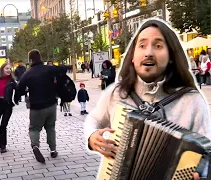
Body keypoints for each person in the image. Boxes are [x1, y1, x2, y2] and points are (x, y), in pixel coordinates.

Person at [84, 18, 210, 180]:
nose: (149, 52)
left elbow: (205, 154)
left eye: (158, 46)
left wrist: (200, 175)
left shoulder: (192, 101)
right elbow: (94, 119)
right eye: (142, 46)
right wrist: (92, 136)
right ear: (132, 56)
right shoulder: (117, 93)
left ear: (171, 55)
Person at [18, 49, 66, 163]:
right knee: (50, 128)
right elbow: (63, 69)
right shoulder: (49, 69)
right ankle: (53, 150)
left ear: (30, 60)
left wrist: (25, 90)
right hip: (51, 105)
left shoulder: (27, 74)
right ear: (40, 58)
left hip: (36, 107)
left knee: (34, 128)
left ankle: (35, 146)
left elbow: (19, 90)